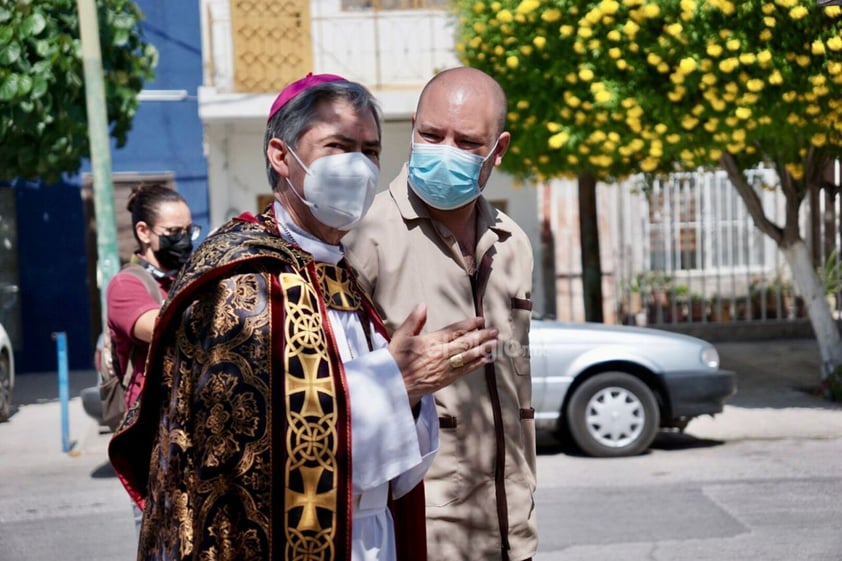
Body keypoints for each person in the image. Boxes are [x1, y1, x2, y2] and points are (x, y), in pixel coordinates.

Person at [108, 73, 498, 561]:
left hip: (373, 533)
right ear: (280, 156)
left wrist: (411, 392)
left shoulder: (340, 274)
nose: (358, 166)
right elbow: (238, 448)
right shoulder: (239, 278)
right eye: (338, 145)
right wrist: (393, 383)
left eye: (370, 151)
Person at [344, 67, 537, 561]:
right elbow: (330, 393)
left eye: (467, 141)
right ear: (412, 128)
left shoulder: (513, 244)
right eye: (431, 135)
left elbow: (517, 391)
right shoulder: (361, 237)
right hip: (419, 537)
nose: (444, 151)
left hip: (511, 532)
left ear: (499, 149)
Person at [105, 183, 199, 532]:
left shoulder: (185, 276)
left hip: (191, 432)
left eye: (190, 231)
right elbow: (160, 327)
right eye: (174, 232)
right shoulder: (127, 286)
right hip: (153, 441)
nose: (185, 240)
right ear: (143, 232)